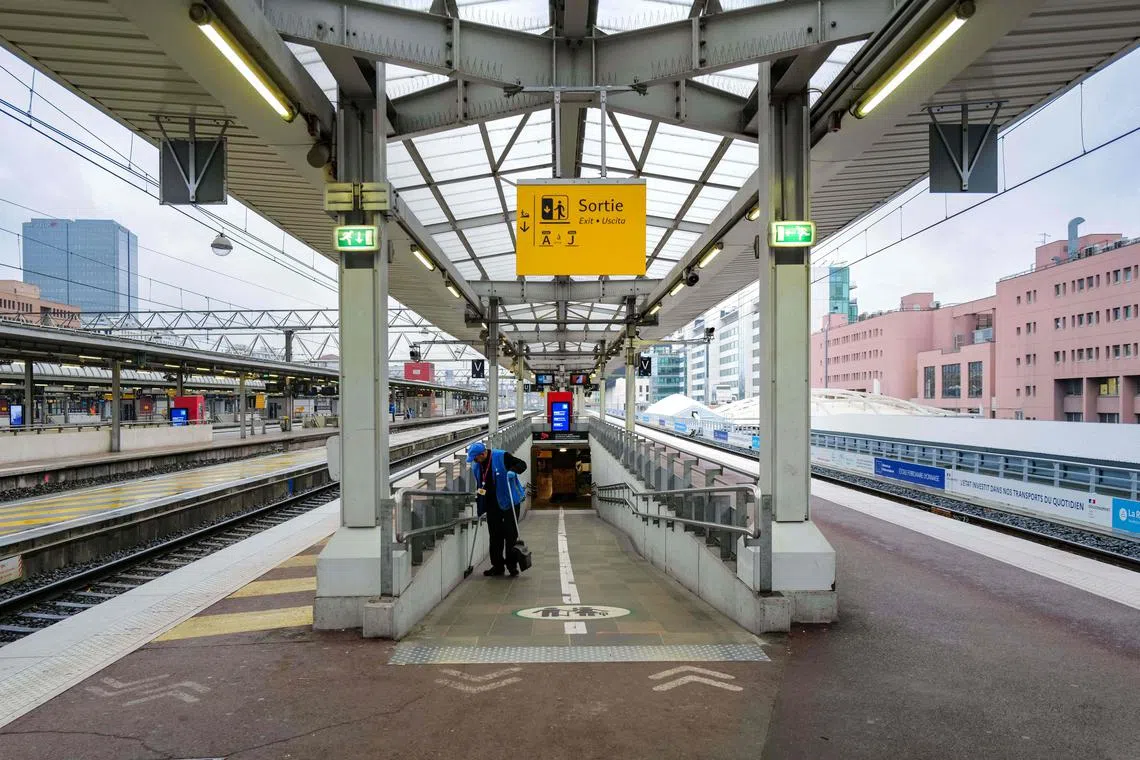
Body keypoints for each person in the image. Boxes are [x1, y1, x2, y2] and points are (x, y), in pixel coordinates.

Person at [466, 441, 527, 577]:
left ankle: (512, 566)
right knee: (495, 536)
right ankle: (498, 566)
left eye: (475, 458)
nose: (475, 461)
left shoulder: (502, 456)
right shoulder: (477, 466)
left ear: (483, 454)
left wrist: (513, 471)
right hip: (492, 504)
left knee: (510, 535)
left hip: (509, 501)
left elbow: (522, 464)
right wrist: (480, 501)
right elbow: (481, 485)